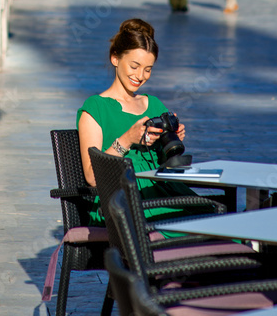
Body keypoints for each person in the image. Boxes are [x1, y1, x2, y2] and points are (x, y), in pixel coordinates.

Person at [77, 18, 192, 225]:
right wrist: (128, 139)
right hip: (121, 202)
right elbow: (92, 177)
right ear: (115, 58)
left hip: (159, 193)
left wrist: (172, 142)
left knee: (213, 223)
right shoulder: (96, 108)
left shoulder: (155, 105)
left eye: (148, 69)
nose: (140, 76)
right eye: (134, 66)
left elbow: (169, 168)